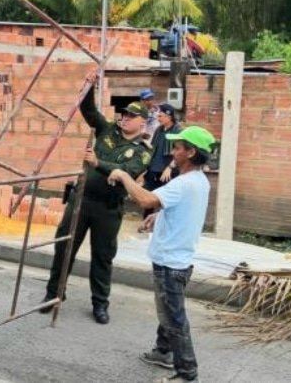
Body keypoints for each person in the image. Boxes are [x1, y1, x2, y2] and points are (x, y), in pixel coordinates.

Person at [39, 71, 152, 325]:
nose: (125, 118)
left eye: (132, 116)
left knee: (102, 256)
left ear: (142, 123)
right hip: (81, 201)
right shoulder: (107, 129)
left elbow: (129, 172)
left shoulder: (143, 151)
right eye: (124, 114)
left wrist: (98, 162)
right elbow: (88, 109)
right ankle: (53, 294)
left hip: (108, 209)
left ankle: (100, 304)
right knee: (63, 248)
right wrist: (90, 85)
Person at [107, 126, 215, 383]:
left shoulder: (182, 183)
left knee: (173, 318)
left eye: (178, 148)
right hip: (180, 261)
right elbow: (180, 210)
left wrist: (123, 175)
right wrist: (160, 216)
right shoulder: (199, 181)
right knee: (168, 309)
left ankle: (188, 374)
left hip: (170, 264)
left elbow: (145, 199)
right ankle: (162, 351)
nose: (173, 153)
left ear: (191, 152)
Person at [141, 103, 182, 221]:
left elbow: (179, 152)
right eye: (158, 116)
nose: (158, 118)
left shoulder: (177, 131)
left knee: (166, 200)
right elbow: (153, 147)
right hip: (153, 169)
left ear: (169, 117)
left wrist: (170, 167)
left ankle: (165, 222)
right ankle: (146, 221)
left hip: (167, 171)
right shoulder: (159, 129)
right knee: (149, 196)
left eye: (161, 116)